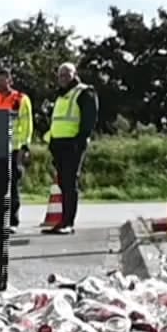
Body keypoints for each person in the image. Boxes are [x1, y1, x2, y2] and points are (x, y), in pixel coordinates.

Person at [45, 61, 98, 235]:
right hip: (58, 144)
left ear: (74, 75)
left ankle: (68, 222)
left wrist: (80, 141)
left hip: (72, 144)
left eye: (66, 74)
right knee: (62, 183)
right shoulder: (60, 95)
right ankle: (62, 221)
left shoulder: (84, 92)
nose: (63, 78)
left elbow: (89, 120)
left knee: (69, 182)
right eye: (60, 75)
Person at [0, 62, 34, 230]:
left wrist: (25, 147)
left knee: (12, 187)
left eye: (1, 79)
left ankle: (12, 221)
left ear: (9, 79)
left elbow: (27, 125)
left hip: (14, 148)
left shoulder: (20, 100)